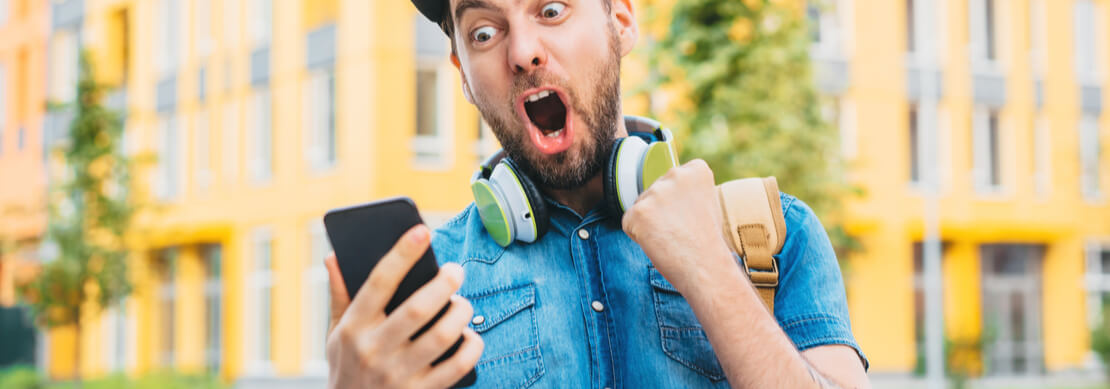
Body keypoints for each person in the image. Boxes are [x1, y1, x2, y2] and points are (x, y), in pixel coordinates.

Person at [323, 0, 870, 387]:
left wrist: (710, 266)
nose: (523, 52)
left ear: (622, 21)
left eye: (551, 10)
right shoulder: (432, 286)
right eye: (484, 32)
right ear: (462, 74)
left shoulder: (771, 234)